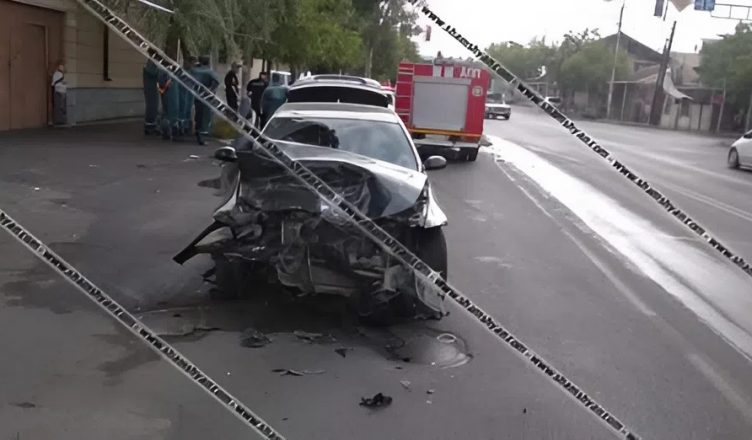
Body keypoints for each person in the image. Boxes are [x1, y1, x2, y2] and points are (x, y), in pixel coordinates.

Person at [192, 55, 220, 145]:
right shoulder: (209, 72)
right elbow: (216, 82)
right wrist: (211, 90)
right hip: (206, 96)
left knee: (198, 114)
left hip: (197, 95)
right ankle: (202, 134)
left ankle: (198, 131)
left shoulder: (195, 71)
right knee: (205, 115)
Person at [178, 55, 199, 136]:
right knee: (183, 110)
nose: (194, 66)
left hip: (189, 95)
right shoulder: (183, 72)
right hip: (183, 94)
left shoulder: (193, 73)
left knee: (188, 110)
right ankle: (181, 127)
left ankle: (186, 127)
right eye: (193, 63)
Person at [157, 67, 180, 140]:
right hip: (170, 94)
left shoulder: (162, 70)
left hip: (166, 94)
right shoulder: (168, 71)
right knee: (169, 113)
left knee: (166, 112)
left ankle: (166, 132)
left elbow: (160, 84)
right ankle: (169, 131)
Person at [142, 60, 160, 135]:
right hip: (150, 89)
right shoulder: (150, 65)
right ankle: (149, 127)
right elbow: (154, 73)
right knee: (151, 107)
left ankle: (152, 125)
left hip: (153, 89)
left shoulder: (150, 65)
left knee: (154, 107)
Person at [51, 62, 68, 127]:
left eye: (62, 66)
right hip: (59, 90)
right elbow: (56, 83)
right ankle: (60, 120)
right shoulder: (58, 74)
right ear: (58, 67)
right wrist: (64, 83)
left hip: (61, 90)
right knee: (60, 105)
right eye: (61, 67)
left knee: (61, 105)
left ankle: (61, 120)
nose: (62, 68)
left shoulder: (60, 74)